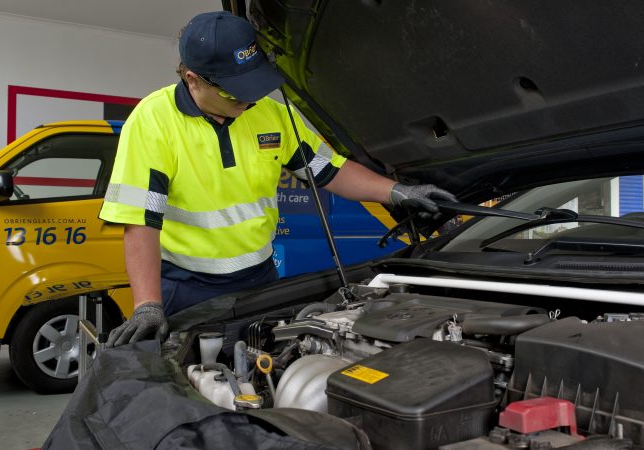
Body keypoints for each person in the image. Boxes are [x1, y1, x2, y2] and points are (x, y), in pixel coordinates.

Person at [100, 11, 456, 347]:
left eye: (253, 84)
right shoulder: (153, 121)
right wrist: (148, 304)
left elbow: (329, 170)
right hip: (187, 287)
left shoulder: (272, 114)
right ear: (192, 78)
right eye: (233, 90)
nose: (249, 100)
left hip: (261, 280)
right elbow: (140, 220)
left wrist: (397, 192)